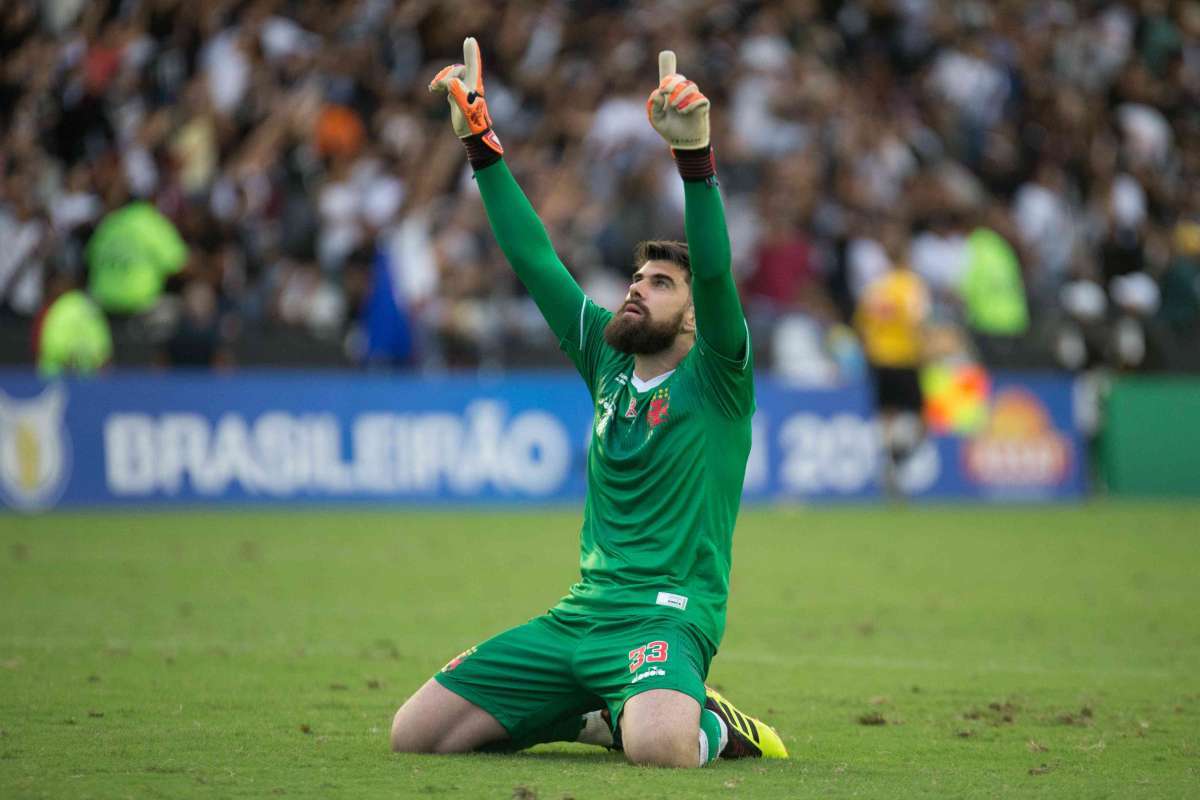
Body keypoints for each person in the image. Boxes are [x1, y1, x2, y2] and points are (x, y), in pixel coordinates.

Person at [389, 39, 787, 768]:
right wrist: (480, 144)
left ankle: (713, 722)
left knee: (662, 749)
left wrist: (694, 159)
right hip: (580, 616)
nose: (637, 287)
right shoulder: (606, 358)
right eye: (636, 277)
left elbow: (717, 274)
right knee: (416, 735)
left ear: (694, 319)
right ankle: (596, 714)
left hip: (665, 618)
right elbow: (534, 258)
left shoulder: (718, 377)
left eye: (661, 284)